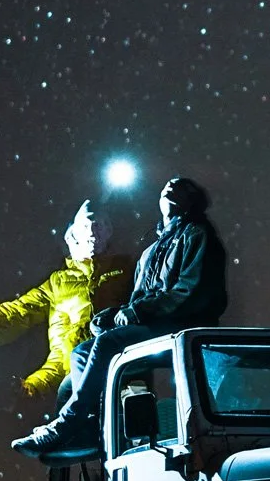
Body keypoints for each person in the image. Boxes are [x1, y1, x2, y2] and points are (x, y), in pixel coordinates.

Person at [11, 176, 227, 460]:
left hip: (182, 325)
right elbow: (136, 300)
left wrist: (137, 313)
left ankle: (68, 423)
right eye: (167, 188)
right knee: (81, 352)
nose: (171, 188)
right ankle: (89, 426)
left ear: (193, 200)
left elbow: (191, 292)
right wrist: (111, 316)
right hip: (154, 324)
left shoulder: (198, 235)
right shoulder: (151, 250)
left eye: (181, 187)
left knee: (106, 346)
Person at [0, 200, 126, 402]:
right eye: (86, 225)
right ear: (74, 235)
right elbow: (18, 314)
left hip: (122, 374)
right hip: (78, 382)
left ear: (109, 232)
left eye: (99, 225)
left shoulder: (126, 271)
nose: (92, 232)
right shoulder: (57, 284)